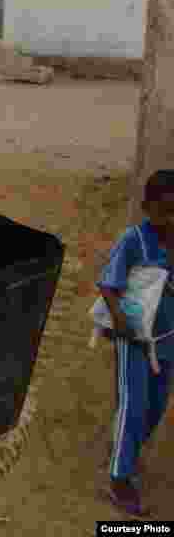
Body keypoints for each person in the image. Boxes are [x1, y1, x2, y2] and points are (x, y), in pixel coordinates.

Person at [98, 169, 174, 518]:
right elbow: (109, 284)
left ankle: (124, 450)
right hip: (134, 339)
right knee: (134, 404)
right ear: (147, 207)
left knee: (155, 406)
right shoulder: (134, 240)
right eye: (164, 210)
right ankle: (120, 480)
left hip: (167, 342)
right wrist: (119, 320)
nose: (170, 218)